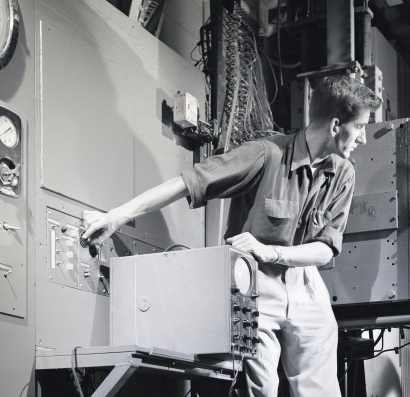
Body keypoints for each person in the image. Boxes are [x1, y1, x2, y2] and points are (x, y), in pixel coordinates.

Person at [82, 75, 381, 397]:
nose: (363, 138)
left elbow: (324, 251)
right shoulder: (266, 154)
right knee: (261, 389)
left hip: (305, 280)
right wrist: (117, 216)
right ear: (337, 125)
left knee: (320, 390)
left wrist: (273, 253)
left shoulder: (343, 173)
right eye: (361, 127)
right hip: (254, 281)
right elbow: (189, 182)